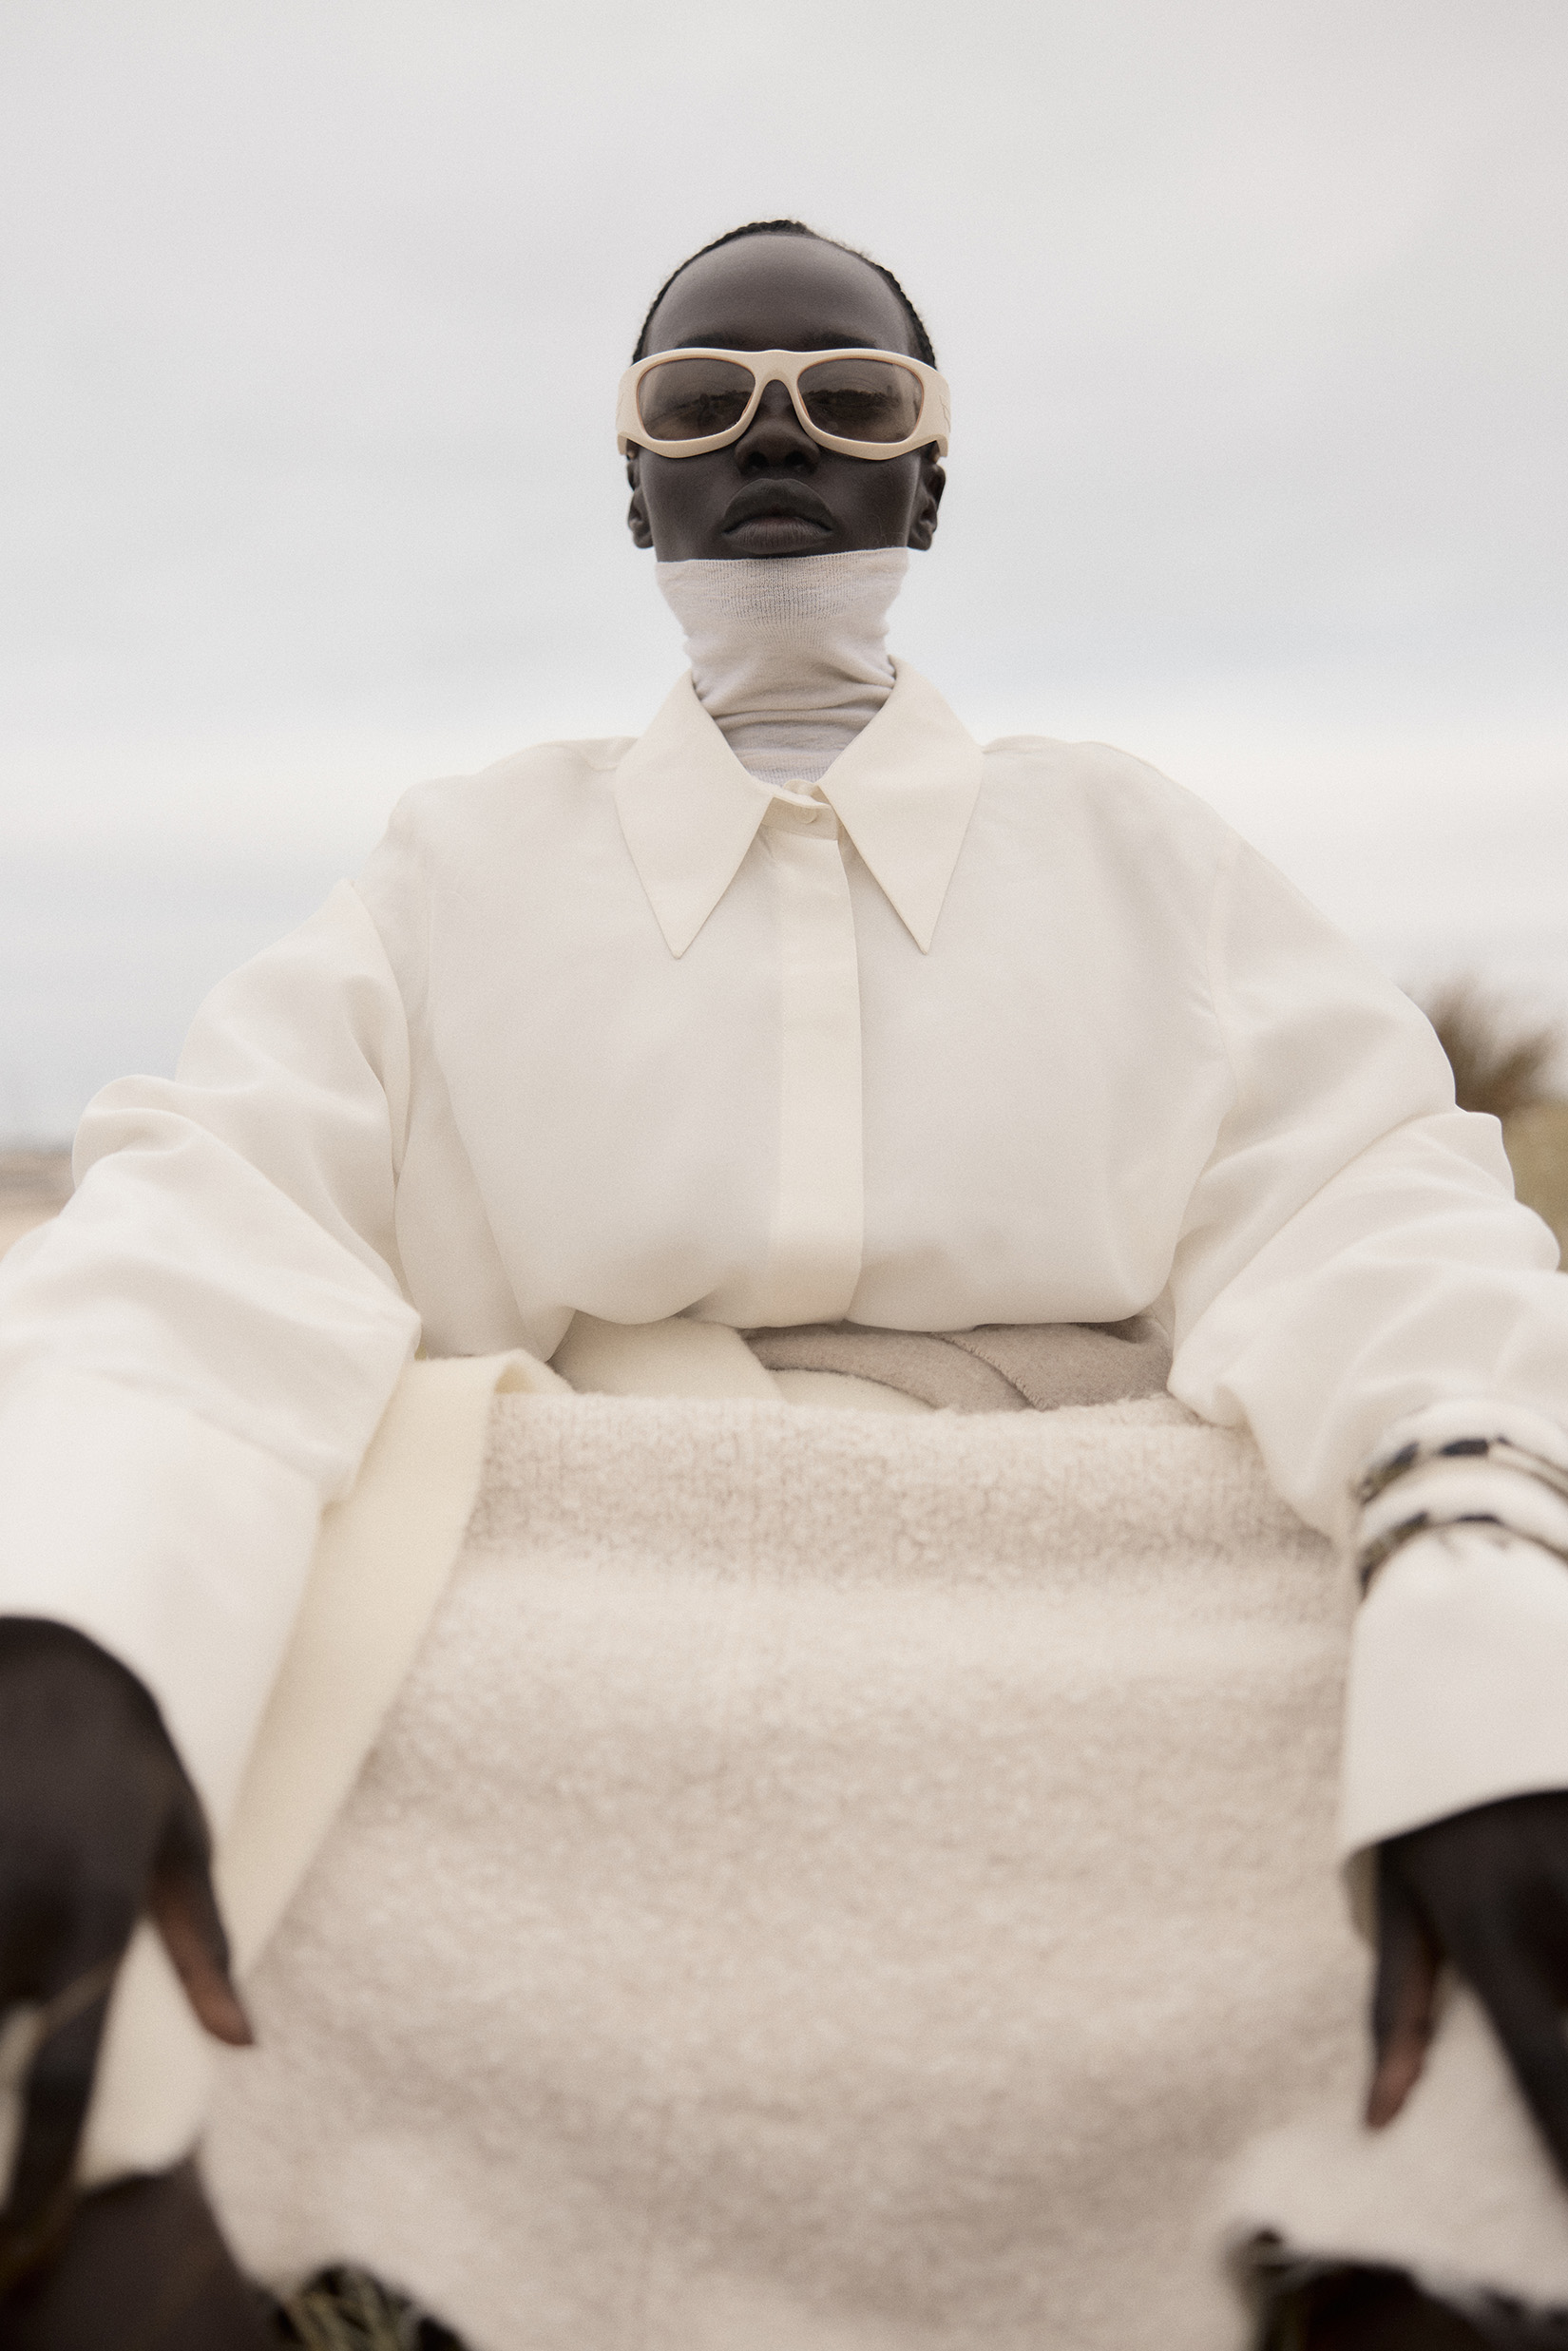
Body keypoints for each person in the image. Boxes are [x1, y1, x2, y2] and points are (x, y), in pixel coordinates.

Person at [1, 217, 1567, 2351]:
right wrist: (82, 1623)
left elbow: (1374, 1217)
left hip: (1109, 1607)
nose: (772, 436)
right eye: (700, 400)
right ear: (630, 480)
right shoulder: (459, 868)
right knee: (154, 2061)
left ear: (931, 475)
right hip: (576, 1610)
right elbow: (220, 1209)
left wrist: (1489, 1649)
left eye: (849, 398)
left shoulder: (1138, 852)